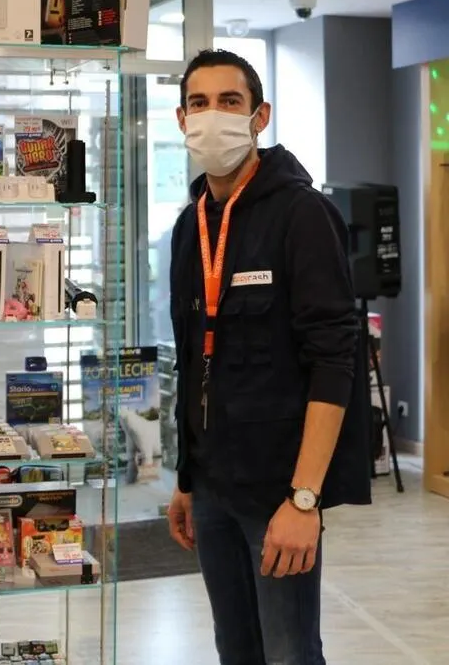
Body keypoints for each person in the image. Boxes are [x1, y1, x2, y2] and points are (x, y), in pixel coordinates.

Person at [164, 49, 371, 665]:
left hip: (279, 489)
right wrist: (186, 479)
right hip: (212, 486)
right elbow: (191, 361)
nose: (213, 116)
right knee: (236, 650)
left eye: (230, 102)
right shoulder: (190, 225)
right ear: (181, 119)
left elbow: (335, 360)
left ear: (260, 116)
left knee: (289, 653)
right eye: (199, 103)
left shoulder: (303, 214)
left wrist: (305, 500)